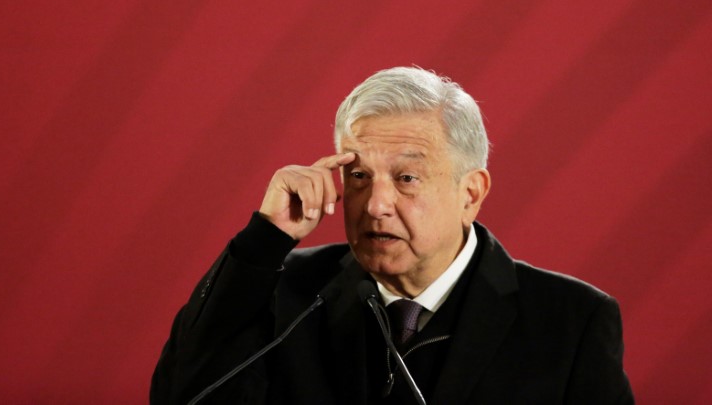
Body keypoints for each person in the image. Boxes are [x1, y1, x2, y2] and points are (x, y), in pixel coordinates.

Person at [150, 66, 634, 404]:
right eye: (358, 176)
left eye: (406, 178)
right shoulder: (283, 291)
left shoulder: (572, 320)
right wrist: (264, 240)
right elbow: (182, 392)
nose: (376, 205)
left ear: (471, 193)